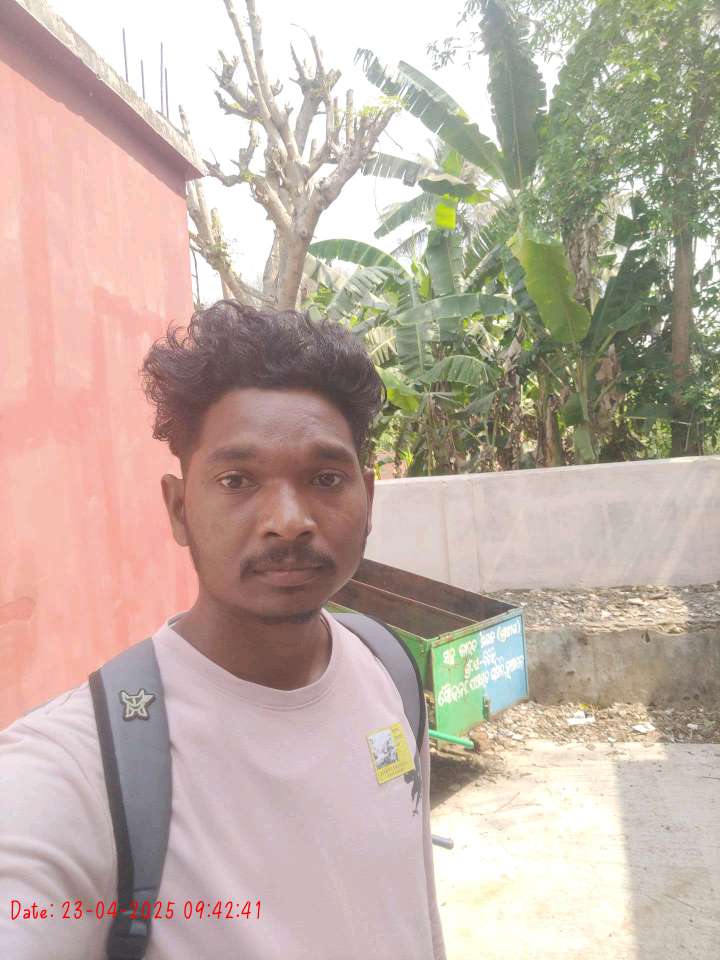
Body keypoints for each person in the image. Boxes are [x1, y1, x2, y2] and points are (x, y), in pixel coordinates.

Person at [0, 301, 447, 960]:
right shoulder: (81, 768)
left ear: (369, 498)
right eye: (237, 480)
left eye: (326, 478)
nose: (288, 520)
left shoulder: (389, 669)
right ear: (179, 509)